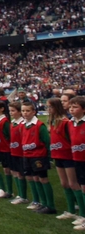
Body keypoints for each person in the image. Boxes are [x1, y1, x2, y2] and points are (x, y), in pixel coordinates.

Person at [20, 101, 56, 214]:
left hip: (39, 156)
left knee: (43, 179)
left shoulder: (39, 125)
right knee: (35, 178)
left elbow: (46, 141)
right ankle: (42, 202)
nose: (25, 113)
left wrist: (49, 157)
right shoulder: (24, 125)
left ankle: (50, 205)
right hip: (27, 155)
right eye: (23, 111)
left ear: (34, 112)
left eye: (28, 111)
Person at [47, 97, 78, 220]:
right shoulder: (53, 121)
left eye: (50, 107)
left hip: (68, 156)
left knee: (73, 183)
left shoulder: (65, 122)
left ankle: (81, 213)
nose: (48, 109)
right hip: (57, 155)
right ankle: (70, 210)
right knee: (64, 183)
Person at [68, 96, 85, 230]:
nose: (72, 110)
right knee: (83, 187)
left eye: (75, 107)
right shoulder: (71, 123)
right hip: (77, 159)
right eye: (71, 107)